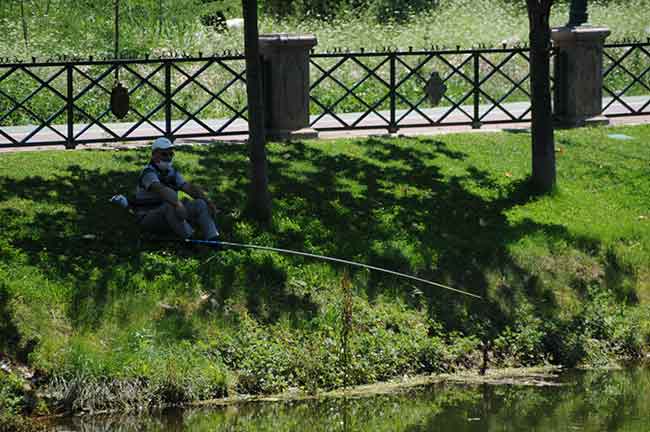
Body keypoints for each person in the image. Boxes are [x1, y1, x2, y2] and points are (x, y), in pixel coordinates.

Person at [132, 137, 220, 241]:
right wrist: (178, 204)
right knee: (170, 206)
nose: (168, 157)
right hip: (148, 217)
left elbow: (189, 188)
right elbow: (162, 190)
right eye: (164, 154)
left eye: (171, 154)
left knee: (200, 203)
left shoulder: (172, 172)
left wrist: (208, 202)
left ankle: (213, 238)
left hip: (169, 215)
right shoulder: (148, 173)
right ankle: (190, 240)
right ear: (154, 155)